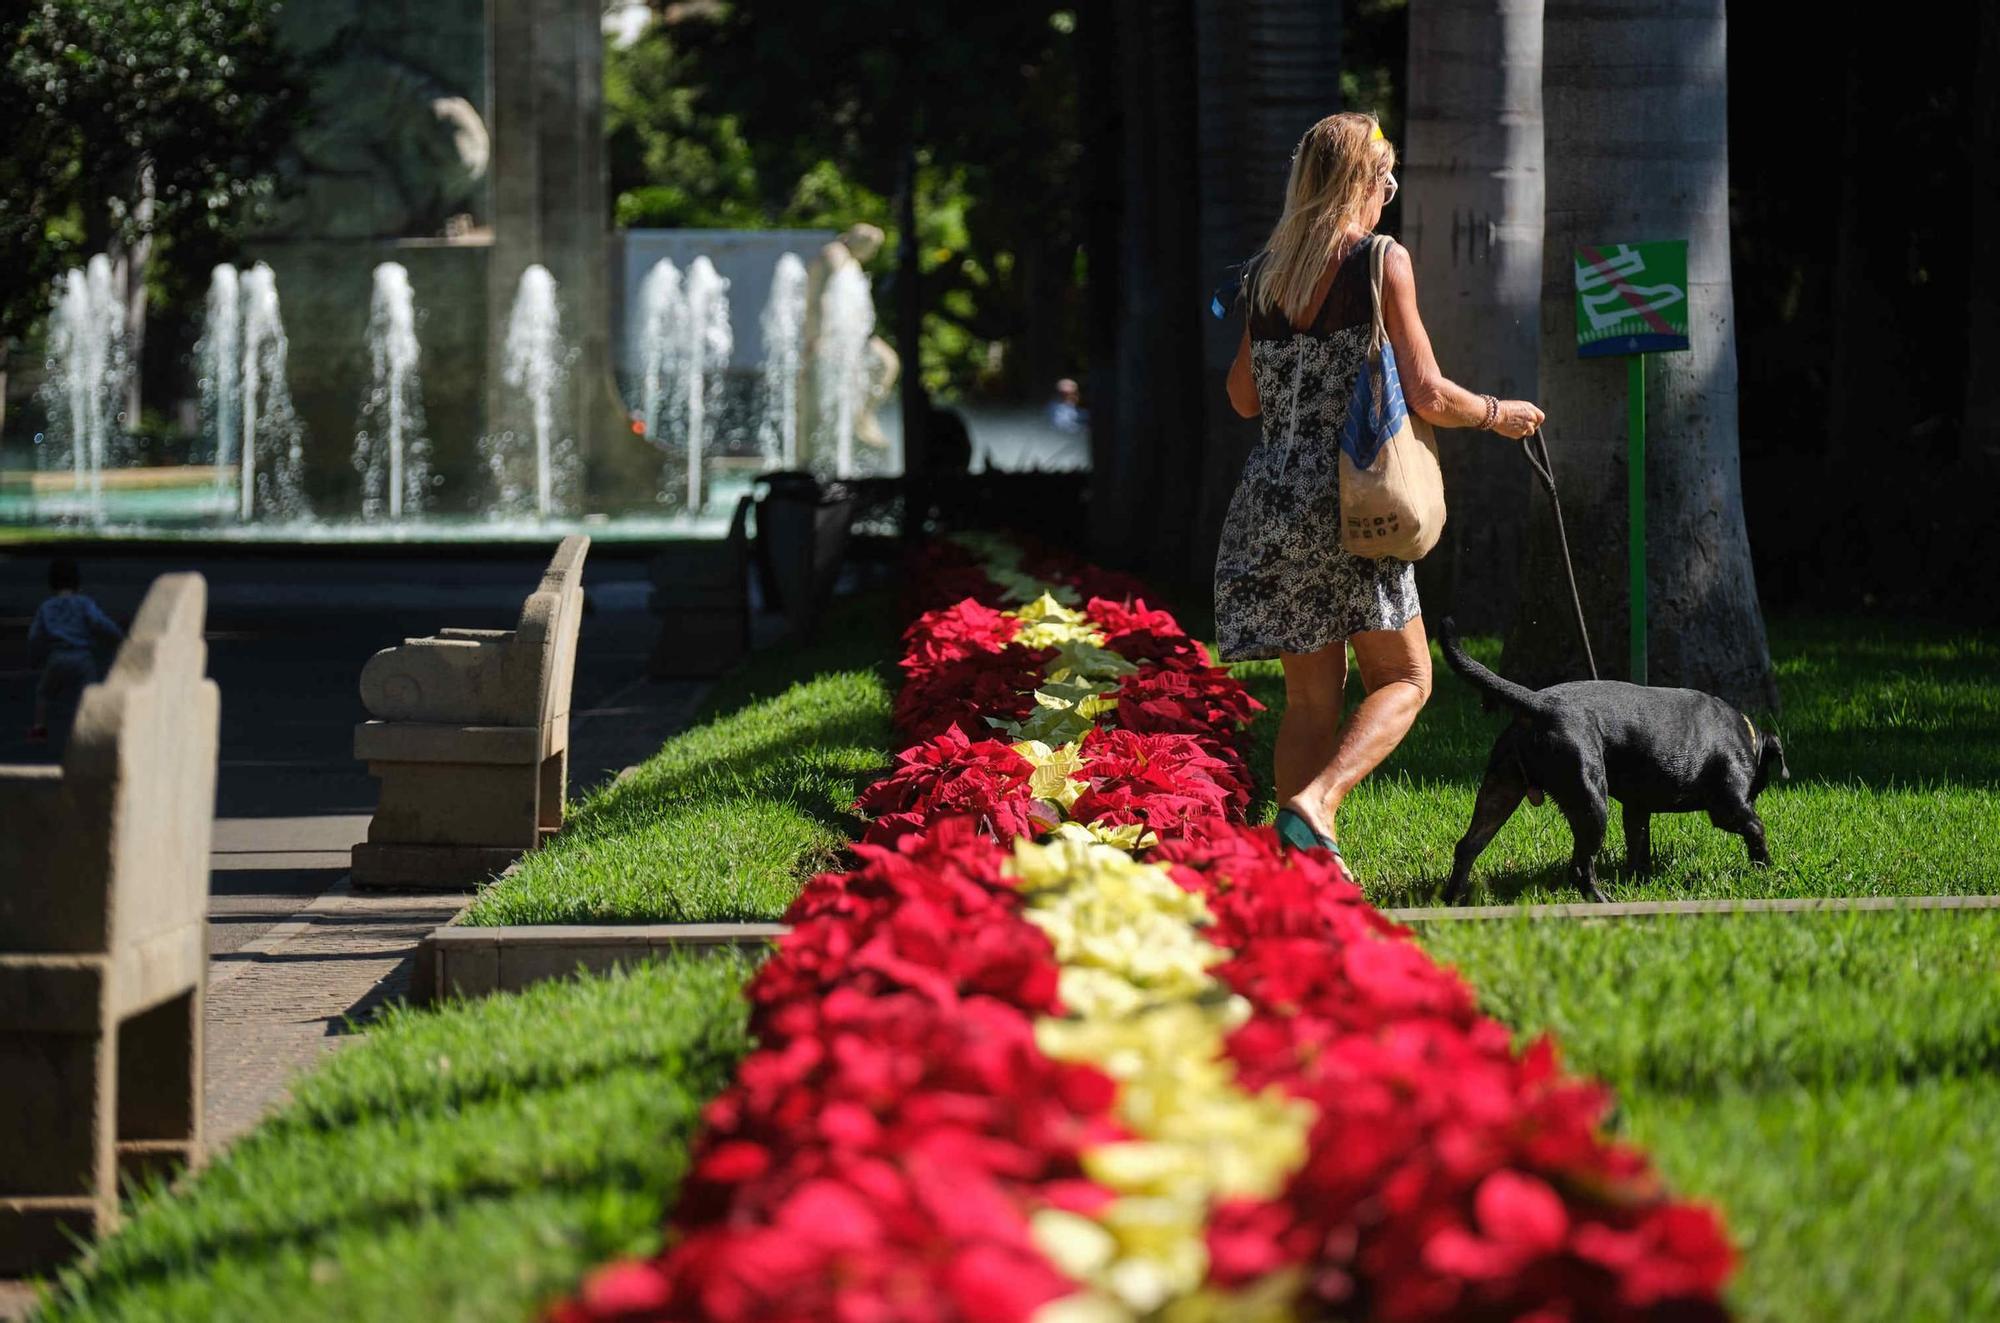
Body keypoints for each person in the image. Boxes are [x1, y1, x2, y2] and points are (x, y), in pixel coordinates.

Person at [1213, 112, 1545, 871]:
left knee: (1308, 703)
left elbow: (1241, 398)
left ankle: (1303, 867)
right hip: (1351, 500)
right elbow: (1427, 392)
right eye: (1385, 175)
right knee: (1407, 676)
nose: (1391, 189)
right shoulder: (1378, 260)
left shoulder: (1268, 271)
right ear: (1364, 180)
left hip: (1272, 500)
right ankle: (1318, 802)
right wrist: (1498, 414)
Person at [27, 557, 124, 748]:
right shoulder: (84, 603)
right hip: (82, 657)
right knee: (89, 695)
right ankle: (89, 731)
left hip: (57, 657)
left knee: (44, 693)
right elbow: (101, 623)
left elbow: (35, 636)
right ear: (77, 581)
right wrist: (119, 639)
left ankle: (39, 727)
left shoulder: (47, 607)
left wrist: (35, 657)